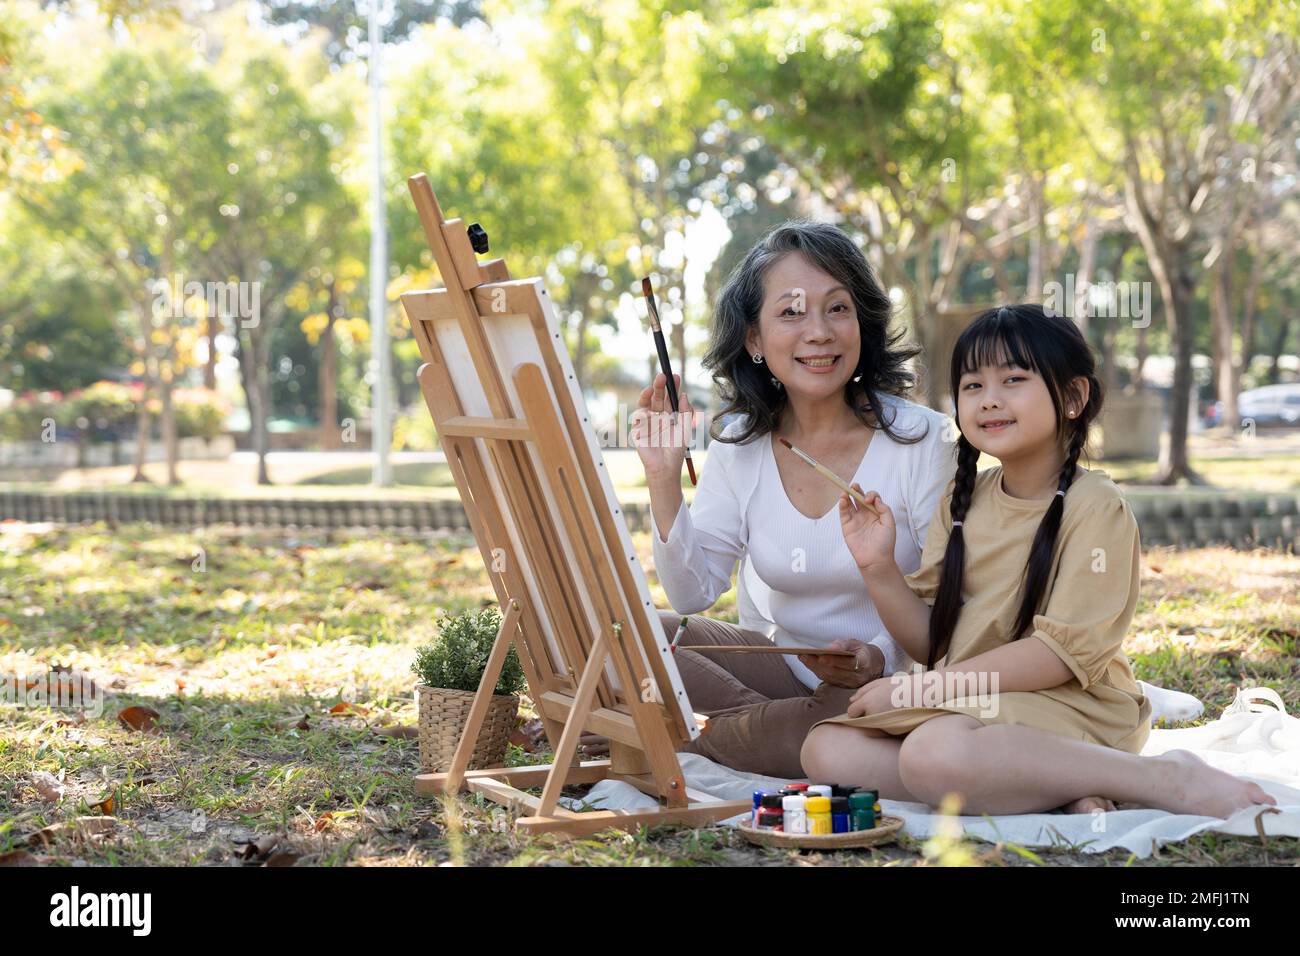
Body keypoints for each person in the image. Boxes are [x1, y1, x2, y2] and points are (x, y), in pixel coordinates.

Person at [800, 305, 1277, 819]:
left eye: (1013, 379)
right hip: (979, 703)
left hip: (1072, 704)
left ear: (1073, 397)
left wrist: (922, 687)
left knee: (934, 752)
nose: (990, 400)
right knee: (826, 750)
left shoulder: (1096, 505)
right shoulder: (960, 502)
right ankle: (1052, 783)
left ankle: (1157, 775)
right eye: (973, 385)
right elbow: (933, 641)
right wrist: (878, 568)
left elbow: (1055, 656)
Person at [630, 220, 954, 778]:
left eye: (837, 308)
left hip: (889, 686)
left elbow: (947, 601)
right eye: (790, 313)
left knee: (796, 734)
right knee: (635, 633)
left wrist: (878, 654)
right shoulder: (740, 445)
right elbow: (691, 594)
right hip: (783, 668)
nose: (819, 332)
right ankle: (763, 727)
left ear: (862, 323)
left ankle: (731, 739)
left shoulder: (926, 440)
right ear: (754, 339)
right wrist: (663, 480)